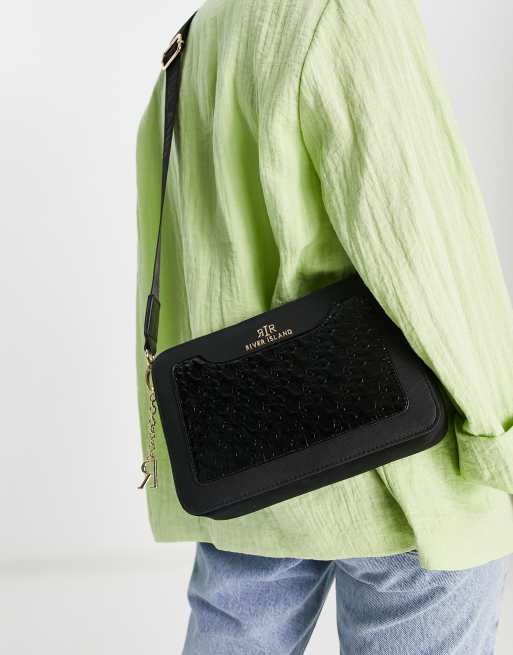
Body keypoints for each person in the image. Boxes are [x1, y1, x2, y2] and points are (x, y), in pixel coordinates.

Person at [135, 1, 513, 652]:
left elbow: (178, 272)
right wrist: (496, 435)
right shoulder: (344, 13)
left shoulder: (194, 40)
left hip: (247, 472)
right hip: (400, 475)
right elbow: (423, 247)